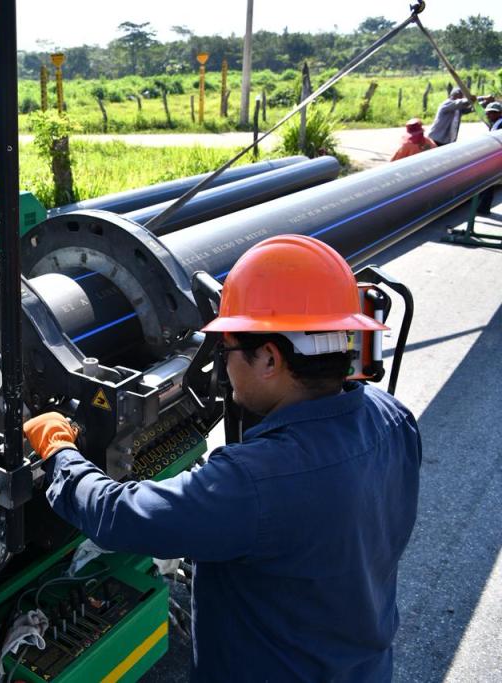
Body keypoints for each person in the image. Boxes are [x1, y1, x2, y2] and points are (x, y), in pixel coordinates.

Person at [24, 234, 422, 682]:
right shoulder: (393, 419)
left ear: (270, 359)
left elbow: (123, 516)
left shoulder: (256, 483)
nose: (222, 365)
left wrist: (60, 454)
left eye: (226, 349)